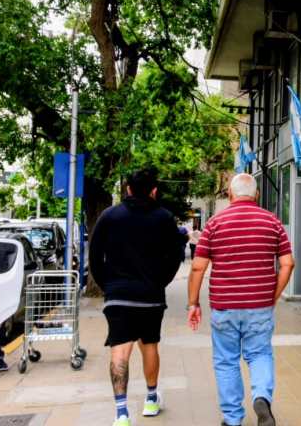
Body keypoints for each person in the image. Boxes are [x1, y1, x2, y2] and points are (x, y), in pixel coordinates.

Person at [187, 173, 293, 426]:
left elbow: (198, 267)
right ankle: (261, 397)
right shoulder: (272, 222)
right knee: (260, 355)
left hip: (225, 306)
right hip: (259, 306)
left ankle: (233, 418)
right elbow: (288, 263)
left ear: (230, 194)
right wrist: (273, 296)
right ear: (256, 195)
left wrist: (193, 303)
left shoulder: (215, 223)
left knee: (226, 361)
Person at [89, 169, 185, 426]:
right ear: (154, 191)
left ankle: (121, 414)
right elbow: (176, 256)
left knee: (119, 352)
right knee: (149, 345)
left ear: (127, 189)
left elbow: (94, 256)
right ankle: (151, 399)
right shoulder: (164, 218)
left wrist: (108, 286)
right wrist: (160, 282)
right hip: (151, 296)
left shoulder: (109, 216)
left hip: (118, 296)